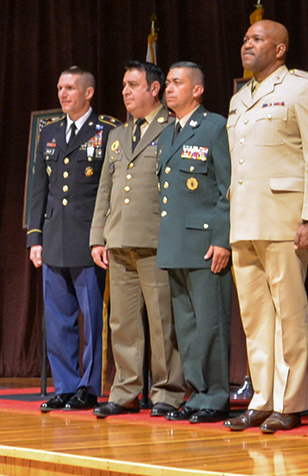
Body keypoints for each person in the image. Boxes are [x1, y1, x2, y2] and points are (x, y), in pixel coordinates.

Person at [224, 19, 308, 434]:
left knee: (290, 313)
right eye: (246, 38)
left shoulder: (303, 87)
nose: (247, 44)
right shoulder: (239, 98)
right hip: (244, 218)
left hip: (284, 218)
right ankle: (262, 399)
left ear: (280, 49)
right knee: (254, 318)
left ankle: (290, 401)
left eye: (257, 39)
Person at [90, 61, 185, 420]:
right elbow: (106, 190)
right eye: (125, 86)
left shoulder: (172, 127)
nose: (126, 92)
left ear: (155, 89)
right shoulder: (117, 135)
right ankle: (126, 390)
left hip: (156, 240)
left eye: (134, 85)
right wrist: (98, 236)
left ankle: (168, 391)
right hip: (119, 240)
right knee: (122, 323)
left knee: (163, 322)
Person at [28, 67, 119, 413]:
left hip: (89, 239)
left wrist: (105, 236)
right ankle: (65, 385)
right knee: (58, 318)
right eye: (60, 88)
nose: (63, 94)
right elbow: (40, 189)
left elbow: (109, 191)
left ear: (88, 93)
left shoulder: (107, 131)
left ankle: (89, 387)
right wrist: (35, 237)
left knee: (93, 317)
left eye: (70, 88)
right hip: (53, 236)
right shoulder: (49, 133)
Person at [156, 62, 233, 423]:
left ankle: (216, 396)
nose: (168, 89)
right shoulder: (168, 132)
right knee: (186, 327)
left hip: (205, 243)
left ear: (197, 90)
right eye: (167, 83)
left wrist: (222, 239)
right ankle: (197, 392)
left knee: (210, 324)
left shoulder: (214, 127)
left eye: (176, 83)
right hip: (175, 243)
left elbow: (226, 188)